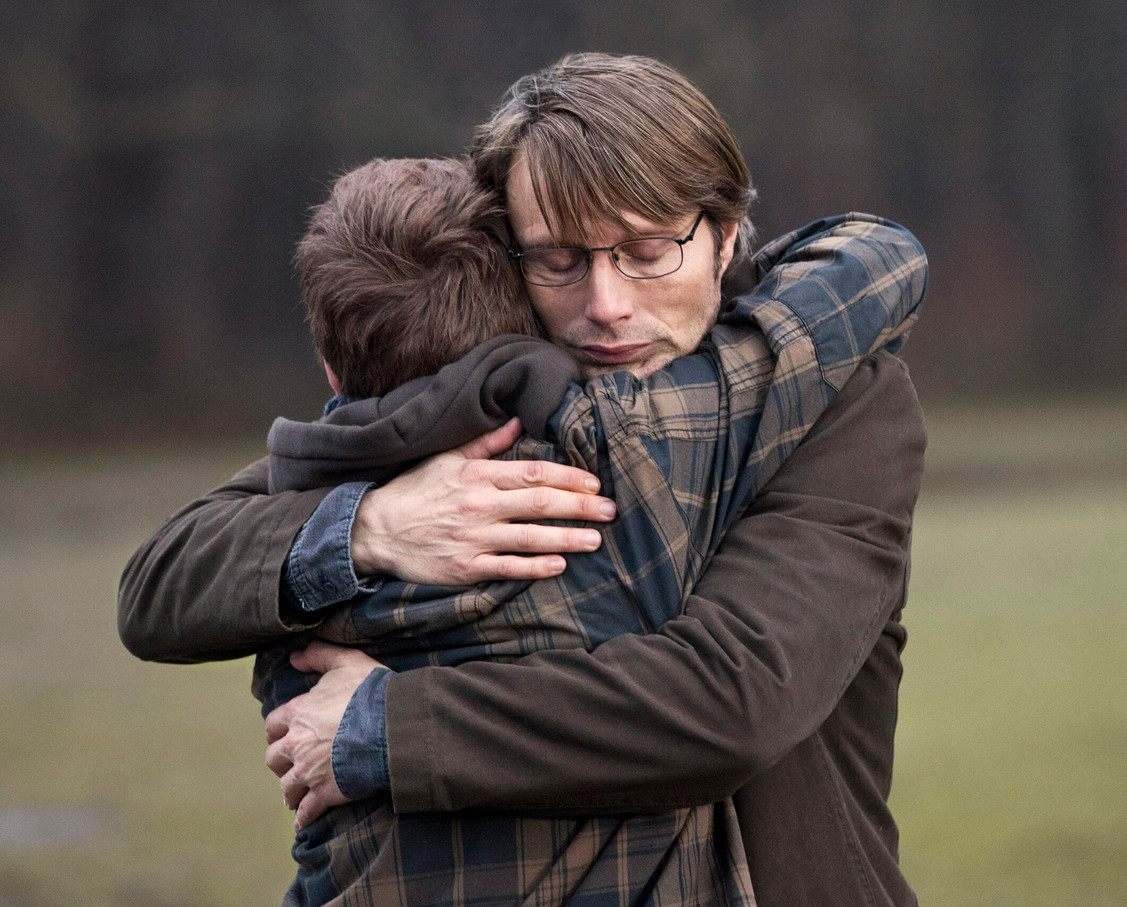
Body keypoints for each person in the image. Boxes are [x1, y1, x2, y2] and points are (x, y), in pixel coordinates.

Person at [119, 53, 929, 906]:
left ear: (725, 235)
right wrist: (373, 525)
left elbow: (736, 699)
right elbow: (163, 579)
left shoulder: (843, 401)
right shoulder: (497, 399)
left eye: (648, 250)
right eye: (558, 259)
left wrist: (382, 725)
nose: (606, 304)